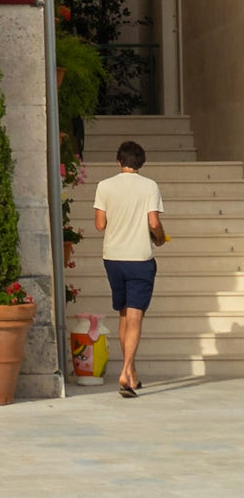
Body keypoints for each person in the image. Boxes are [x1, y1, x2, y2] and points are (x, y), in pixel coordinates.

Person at [94, 138, 166, 396]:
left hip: (113, 258)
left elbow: (100, 225)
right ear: (141, 163)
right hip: (139, 258)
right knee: (135, 316)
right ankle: (125, 372)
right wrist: (159, 238)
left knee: (124, 314)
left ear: (119, 161)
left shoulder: (104, 186)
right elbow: (154, 222)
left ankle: (132, 372)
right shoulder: (149, 186)